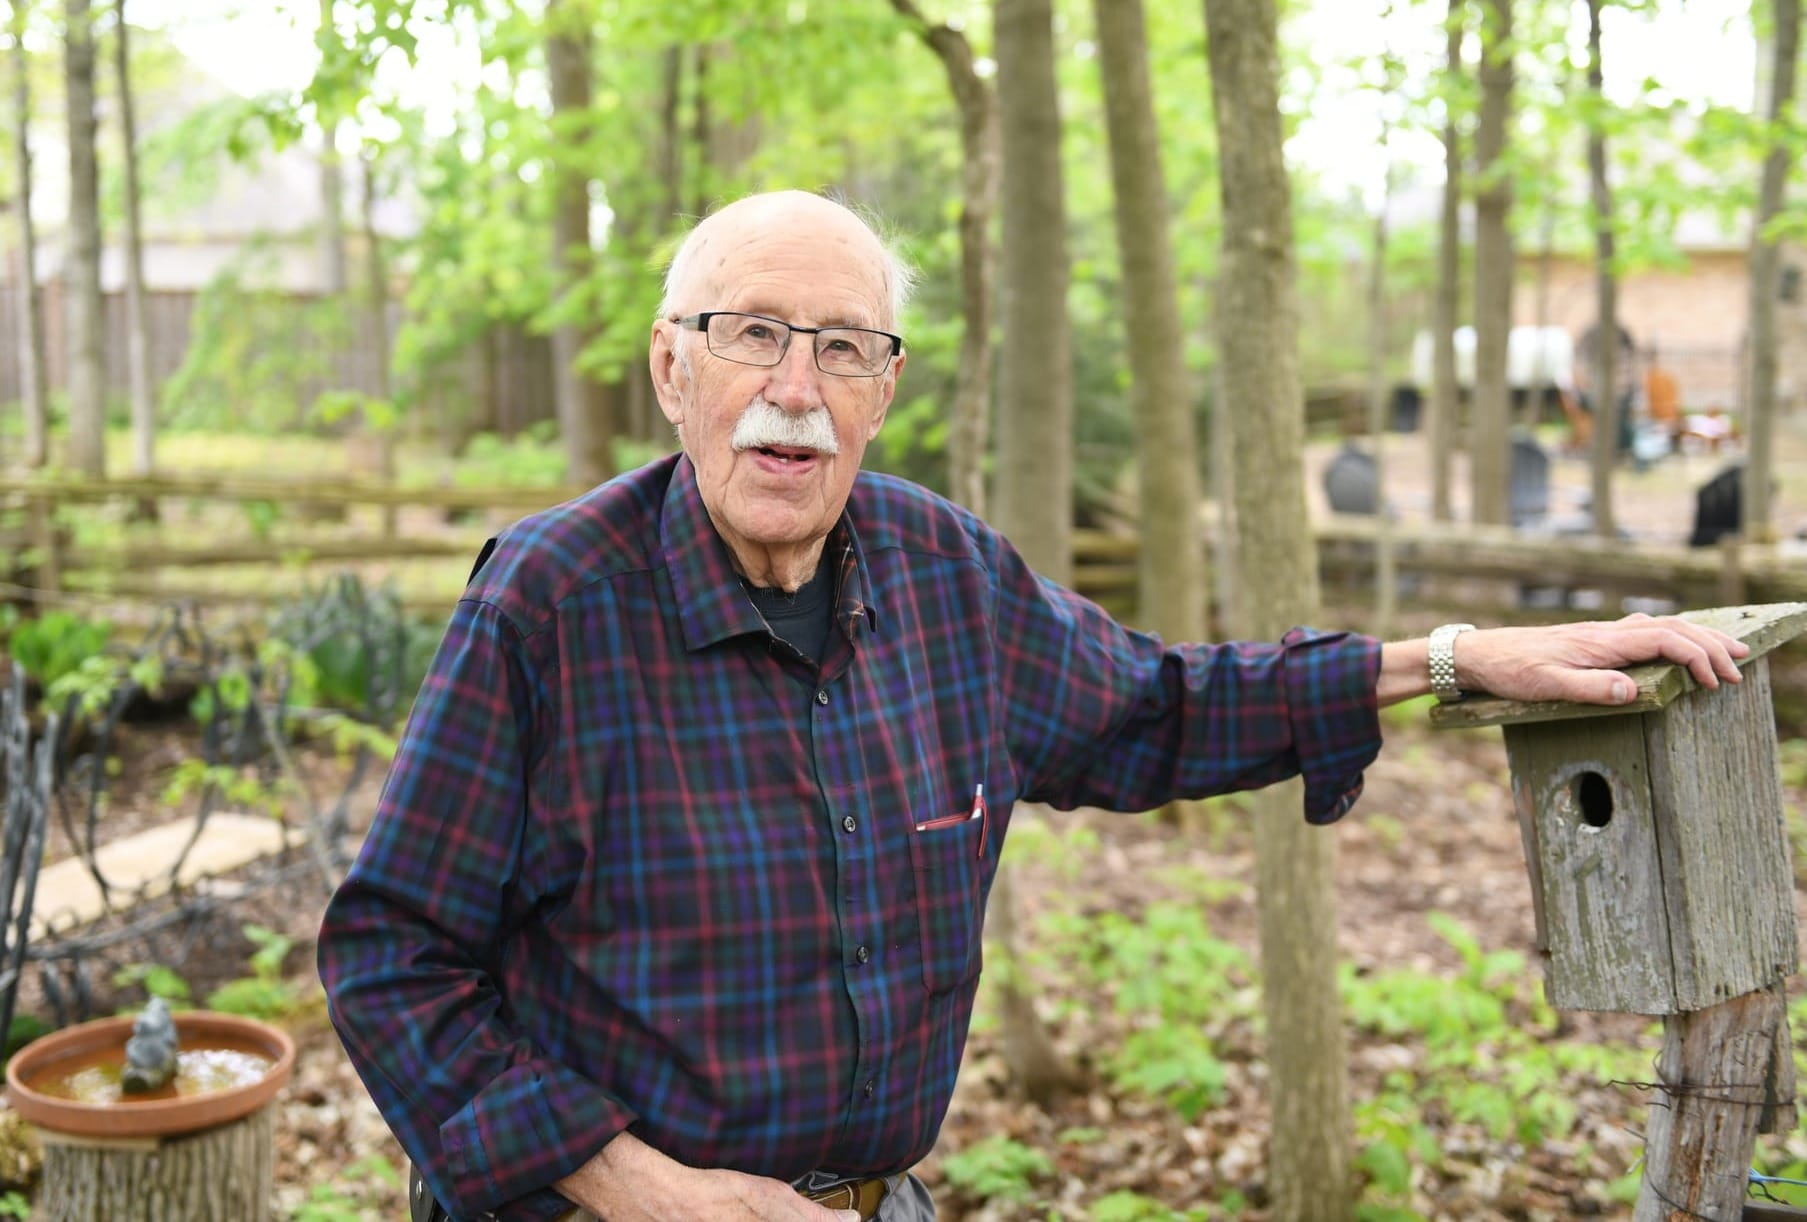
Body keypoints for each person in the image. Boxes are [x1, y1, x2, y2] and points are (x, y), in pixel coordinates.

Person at [317, 190, 1749, 1222]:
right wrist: (645, 1187)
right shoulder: (552, 604)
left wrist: (1450, 659)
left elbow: (1160, 708)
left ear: (885, 391)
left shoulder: (943, 573)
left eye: (843, 348)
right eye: (752, 334)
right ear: (671, 367)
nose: (795, 391)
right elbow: (394, 962)